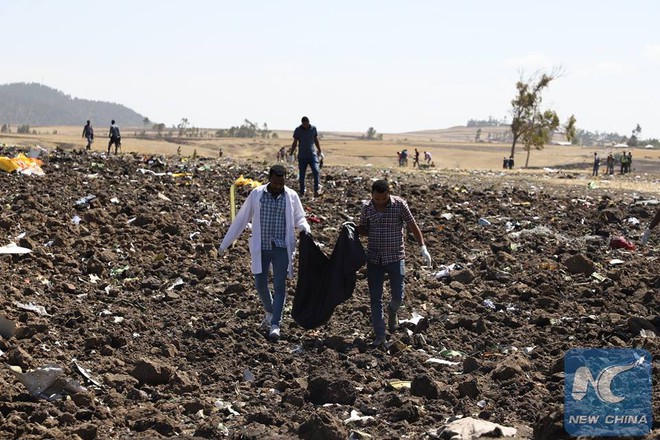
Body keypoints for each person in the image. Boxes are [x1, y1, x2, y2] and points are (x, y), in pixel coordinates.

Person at [218, 164, 310, 341]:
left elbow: (299, 217)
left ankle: (275, 323)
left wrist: (305, 228)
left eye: (280, 184)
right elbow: (241, 219)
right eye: (275, 183)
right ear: (269, 179)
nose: (277, 187)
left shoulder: (290, 196)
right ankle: (270, 310)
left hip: (282, 247)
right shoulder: (257, 195)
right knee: (260, 284)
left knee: (279, 286)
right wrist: (225, 244)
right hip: (262, 246)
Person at [356, 179, 432, 347]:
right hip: (374, 258)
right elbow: (363, 229)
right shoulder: (367, 208)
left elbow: (412, 225)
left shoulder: (399, 205)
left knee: (398, 296)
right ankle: (380, 335)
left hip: (395, 257)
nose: (380, 202)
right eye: (377, 199)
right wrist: (353, 228)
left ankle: (392, 311)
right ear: (372, 196)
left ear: (388, 194)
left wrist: (423, 247)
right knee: (375, 298)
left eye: (383, 199)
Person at [289, 116, 322, 197]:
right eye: (304, 124)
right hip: (302, 156)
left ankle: (316, 190)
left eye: (306, 123)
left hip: (312, 154)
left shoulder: (313, 129)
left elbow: (315, 139)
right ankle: (302, 191)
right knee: (302, 174)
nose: (305, 125)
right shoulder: (298, 130)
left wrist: (319, 150)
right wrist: (291, 153)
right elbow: (295, 142)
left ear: (308, 122)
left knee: (316, 170)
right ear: (302, 123)